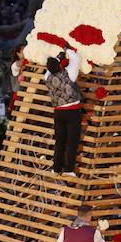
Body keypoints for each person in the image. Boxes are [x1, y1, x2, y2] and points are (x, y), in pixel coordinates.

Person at [45, 45, 84, 177]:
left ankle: (56, 168)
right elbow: (76, 59)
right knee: (72, 141)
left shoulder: (47, 77)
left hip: (58, 112)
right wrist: (67, 50)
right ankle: (68, 169)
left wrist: (58, 57)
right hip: (72, 111)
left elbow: (49, 68)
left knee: (60, 141)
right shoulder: (69, 73)